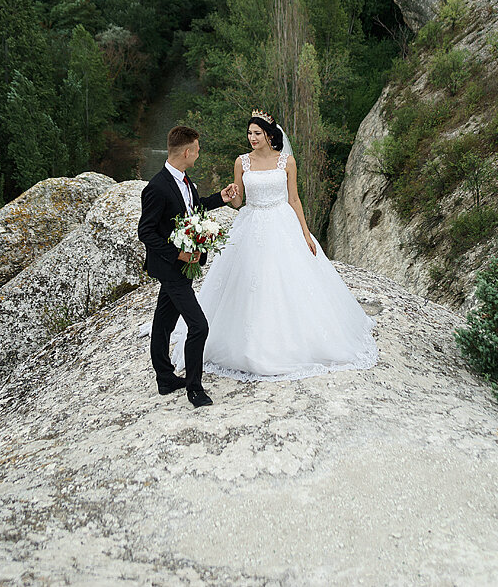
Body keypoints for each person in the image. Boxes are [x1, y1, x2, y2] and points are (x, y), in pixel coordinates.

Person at [171, 110, 378, 381]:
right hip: (251, 221)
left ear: (269, 135)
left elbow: (294, 199)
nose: (252, 138)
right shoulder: (242, 161)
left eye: (257, 133)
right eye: (249, 133)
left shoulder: (286, 161)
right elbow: (239, 202)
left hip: (282, 223)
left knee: (287, 280)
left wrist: (305, 233)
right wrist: (232, 194)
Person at [138, 125, 238, 408]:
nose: (198, 154)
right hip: (171, 268)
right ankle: (194, 389)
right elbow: (145, 232)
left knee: (164, 322)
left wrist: (220, 198)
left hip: (182, 268)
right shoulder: (156, 187)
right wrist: (177, 254)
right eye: (197, 149)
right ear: (186, 152)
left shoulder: (185, 180)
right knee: (199, 326)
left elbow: (193, 208)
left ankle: (165, 378)